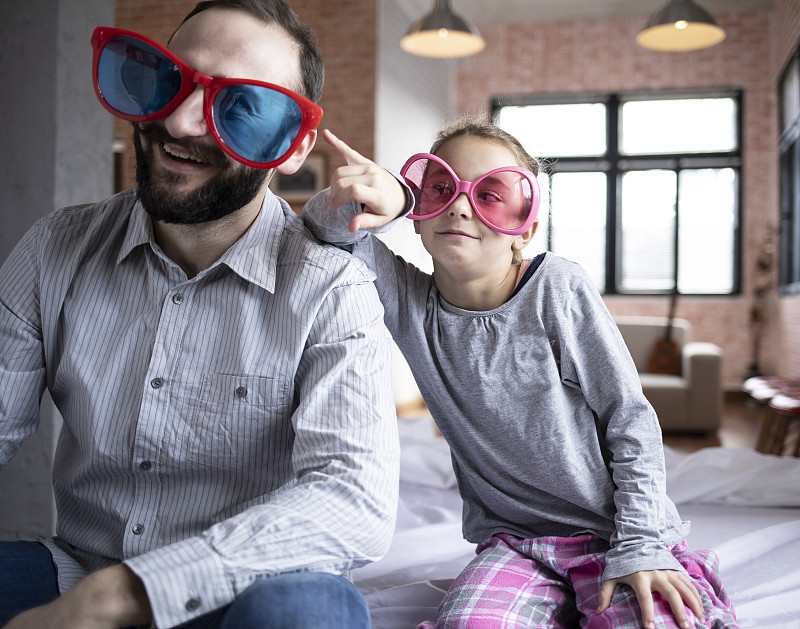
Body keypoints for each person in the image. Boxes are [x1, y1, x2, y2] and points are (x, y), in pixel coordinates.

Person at [0, 1, 400, 628]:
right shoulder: (55, 250)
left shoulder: (333, 288)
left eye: (240, 106)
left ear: (292, 147)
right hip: (80, 565)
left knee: (306, 615)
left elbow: (351, 501)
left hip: (255, 588)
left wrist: (120, 597)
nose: (180, 122)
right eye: (170, 82)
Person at [302, 119, 740, 629]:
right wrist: (392, 195)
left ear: (525, 229)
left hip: (616, 532)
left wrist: (642, 542)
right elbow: (326, 231)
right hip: (515, 545)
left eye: (491, 195)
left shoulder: (556, 287)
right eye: (440, 189)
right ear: (418, 215)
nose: (461, 206)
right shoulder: (409, 303)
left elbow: (630, 418)